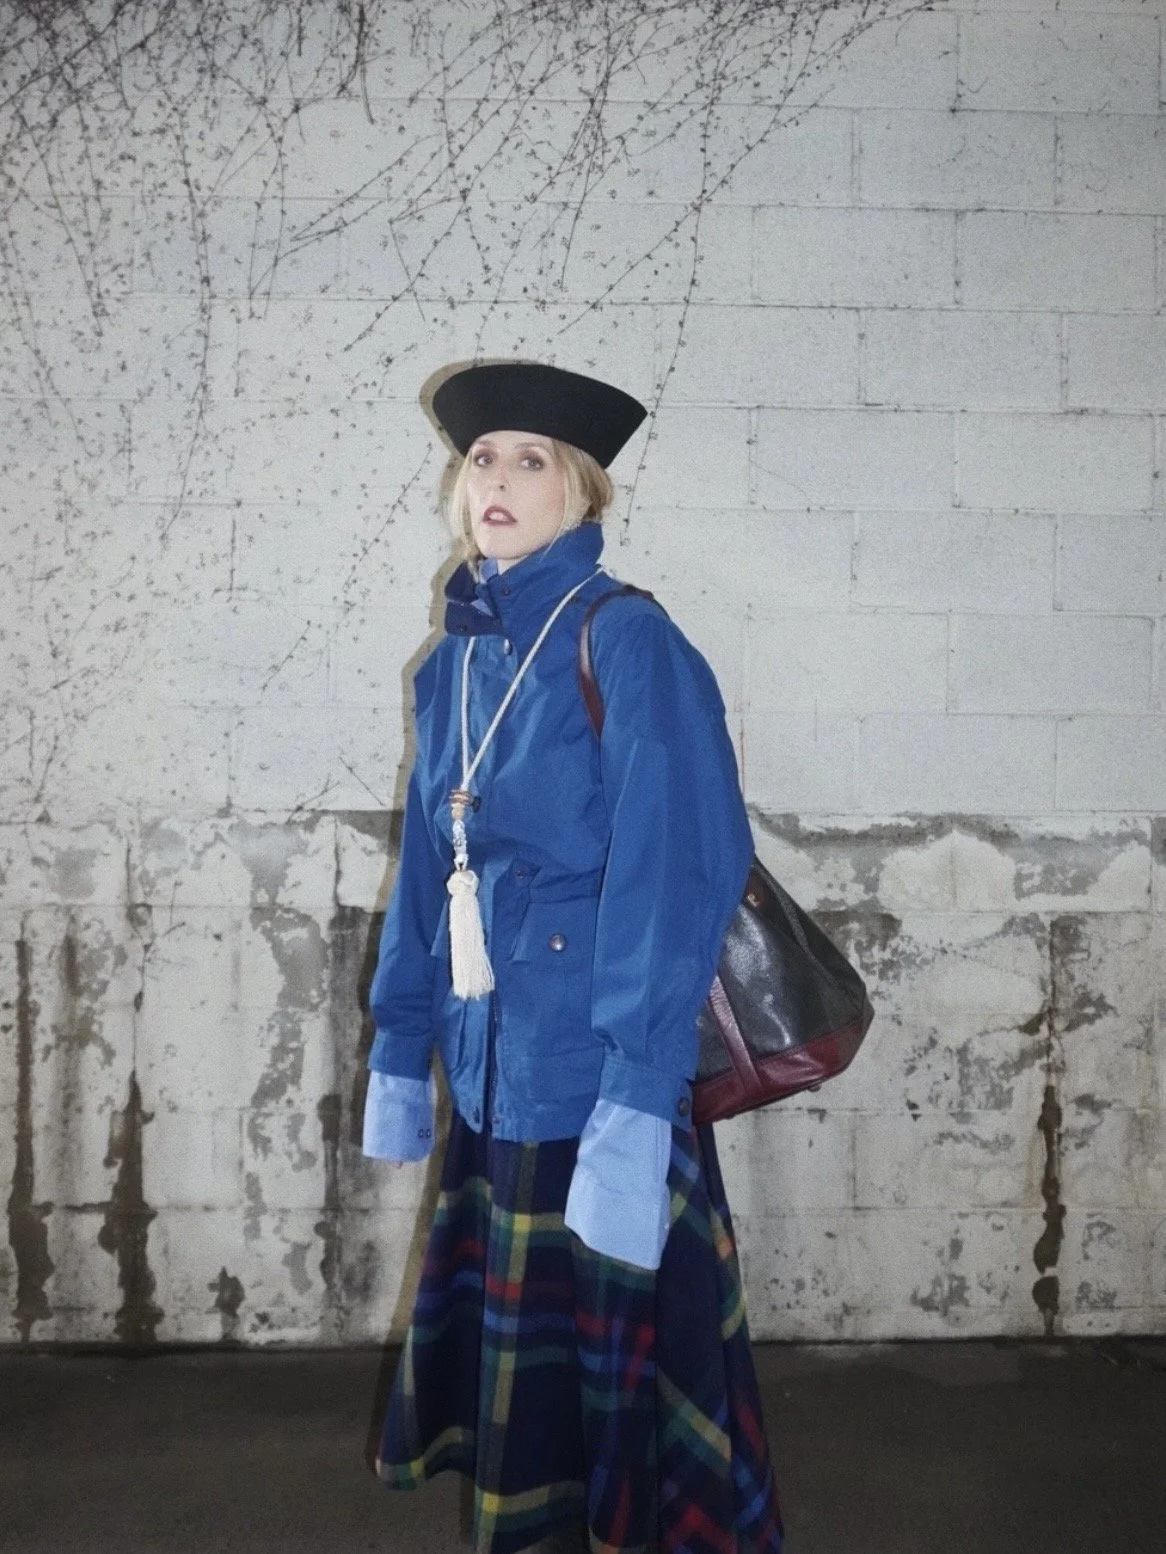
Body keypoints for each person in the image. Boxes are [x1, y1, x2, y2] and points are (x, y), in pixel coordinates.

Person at [363, 360, 784, 1554]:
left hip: (601, 1082)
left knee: (625, 1392)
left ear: (581, 490)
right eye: (480, 458)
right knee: (528, 1394)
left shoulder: (626, 639)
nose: (495, 479)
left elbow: (677, 870)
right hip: (492, 1075)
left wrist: (639, 1095)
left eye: (529, 460)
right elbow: (428, 864)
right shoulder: (449, 661)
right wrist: (402, 1038)